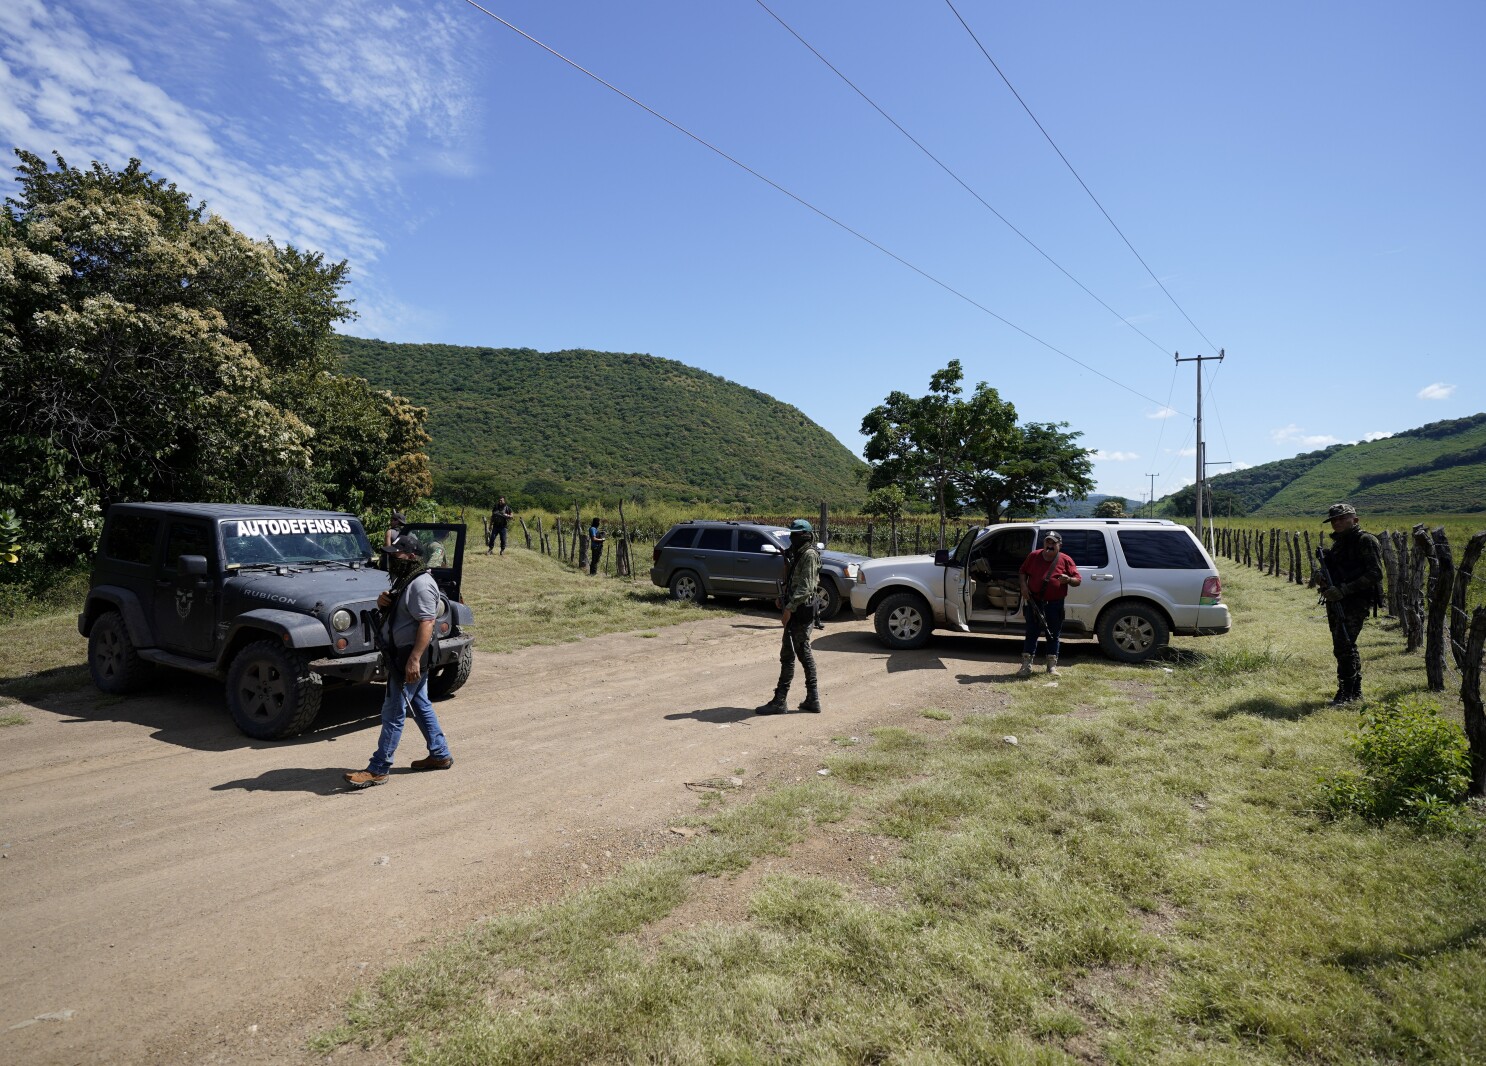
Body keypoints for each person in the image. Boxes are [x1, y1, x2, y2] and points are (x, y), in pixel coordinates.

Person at [344, 531, 454, 788]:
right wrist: (383, 602)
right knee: (420, 703)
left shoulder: (421, 584)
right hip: (403, 654)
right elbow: (402, 613)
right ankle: (439, 754)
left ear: (412, 556)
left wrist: (414, 659)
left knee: (393, 711)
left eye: (397, 555)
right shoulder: (406, 580)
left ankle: (379, 768)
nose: (392, 559)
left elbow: (427, 623)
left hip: (410, 656)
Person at [1318, 502, 1383, 705]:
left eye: (1342, 518)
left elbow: (1375, 573)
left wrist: (1344, 590)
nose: (1337, 522)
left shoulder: (1365, 540)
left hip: (1355, 601)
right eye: (1333, 520)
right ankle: (1354, 691)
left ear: (1355, 520)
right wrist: (1322, 578)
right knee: (1344, 646)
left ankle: (1346, 693)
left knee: (1344, 645)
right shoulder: (1340, 543)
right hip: (1336, 600)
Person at [756, 519, 823, 714]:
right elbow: (794, 580)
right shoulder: (798, 553)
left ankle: (782, 700)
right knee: (799, 653)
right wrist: (783, 597)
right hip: (797, 607)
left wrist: (789, 609)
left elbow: (806, 586)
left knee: (794, 654)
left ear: (807, 536)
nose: (793, 538)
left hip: (800, 610)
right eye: (792, 534)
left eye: (797, 534)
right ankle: (810, 699)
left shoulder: (809, 554)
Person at [1017, 530, 1081, 676]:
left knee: (1053, 634)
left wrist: (1069, 580)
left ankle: (1051, 667)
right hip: (1034, 602)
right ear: (1044, 543)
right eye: (1048, 542)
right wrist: (1024, 586)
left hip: (1055, 604)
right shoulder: (1033, 556)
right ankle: (1026, 666)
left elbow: (1077, 580)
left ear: (1060, 545)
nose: (1050, 545)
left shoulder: (1066, 559)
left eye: (1053, 543)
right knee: (1031, 633)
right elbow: (1022, 572)